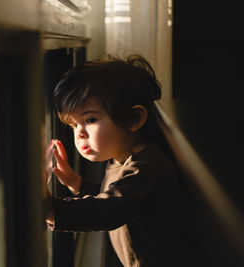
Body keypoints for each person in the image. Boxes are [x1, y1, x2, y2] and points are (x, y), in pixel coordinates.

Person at [45, 54, 204, 267]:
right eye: (73, 125)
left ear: (134, 119)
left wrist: (50, 208)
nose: (79, 134)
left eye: (90, 120)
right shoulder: (124, 158)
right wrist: (76, 182)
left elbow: (109, 209)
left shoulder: (147, 170)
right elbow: (114, 193)